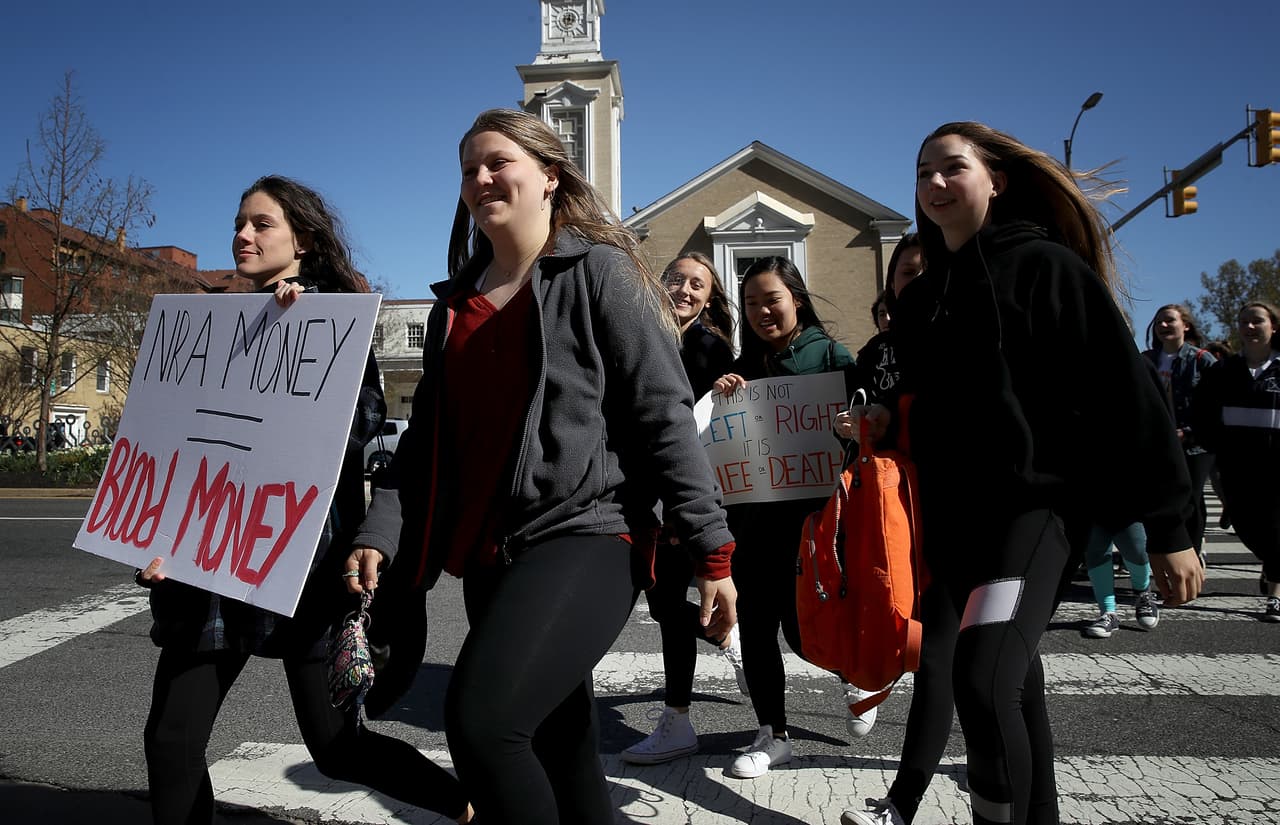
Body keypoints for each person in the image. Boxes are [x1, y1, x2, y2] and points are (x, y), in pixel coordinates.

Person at [344, 109, 738, 825]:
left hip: (589, 535)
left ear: (550, 176)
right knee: (563, 749)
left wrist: (712, 550)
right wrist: (380, 529)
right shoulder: (455, 304)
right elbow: (426, 435)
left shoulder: (600, 272)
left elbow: (663, 412)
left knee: (482, 723)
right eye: (469, 169)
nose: (480, 178)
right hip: (492, 553)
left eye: (498, 162)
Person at [837, 122, 1203, 825]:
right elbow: (917, 399)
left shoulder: (1046, 268)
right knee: (1014, 683)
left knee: (982, 678)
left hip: (1034, 514)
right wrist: (882, 416)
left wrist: (1170, 527)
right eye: (923, 172)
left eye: (953, 167)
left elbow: (1128, 396)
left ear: (996, 181)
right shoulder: (922, 301)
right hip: (954, 523)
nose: (934, 183)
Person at [137, 175, 473, 825]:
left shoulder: (330, 324)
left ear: (305, 240)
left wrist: (301, 333)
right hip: (209, 566)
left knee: (338, 746)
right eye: (238, 223)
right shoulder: (216, 329)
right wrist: (156, 533)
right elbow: (175, 441)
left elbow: (359, 425)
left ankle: (467, 807)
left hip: (300, 567)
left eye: (261, 224)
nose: (242, 235)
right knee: (171, 740)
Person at [710, 256, 874, 780]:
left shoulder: (833, 358)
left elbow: (870, 432)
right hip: (754, 524)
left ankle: (855, 673)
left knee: (804, 631)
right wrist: (723, 397)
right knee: (757, 628)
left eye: (772, 299)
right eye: (751, 303)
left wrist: (854, 425)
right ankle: (772, 734)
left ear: (796, 300)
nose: (762, 311)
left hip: (815, 524)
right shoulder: (744, 366)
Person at [622, 251, 748, 766]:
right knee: (664, 606)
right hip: (635, 494)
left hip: (685, 498)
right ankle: (726, 635)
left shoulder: (711, 349)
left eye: (698, 284)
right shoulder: (633, 331)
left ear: (709, 299)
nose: (685, 289)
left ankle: (677, 718)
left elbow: (723, 428)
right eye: (677, 279)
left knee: (674, 607)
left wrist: (727, 389)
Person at [1194, 302, 1280, 622]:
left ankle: (1275, 594)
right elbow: (1203, 412)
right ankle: (1272, 563)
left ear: (1273, 326)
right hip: (1236, 467)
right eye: (1244, 321)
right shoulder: (1224, 370)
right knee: (1247, 528)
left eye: (1257, 321)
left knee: (1276, 529)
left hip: (1276, 467)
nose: (1250, 327)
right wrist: (1212, 444)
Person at [1142, 304, 1217, 565]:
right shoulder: (1146, 359)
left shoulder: (1202, 360)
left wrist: (1187, 431)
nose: (1163, 326)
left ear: (1185, 325)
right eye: (1158, 322)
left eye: (1169, 320)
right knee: (1164, 497)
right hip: (1161, 443)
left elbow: (1214, 405)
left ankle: (1193, 552)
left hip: (1195, 444)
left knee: (1191, 498)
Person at [856, 233, 923, 394]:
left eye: (929, 271)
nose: (919, 281)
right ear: (892, 281)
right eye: (908, 272)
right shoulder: (873, 349)